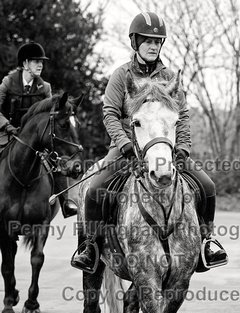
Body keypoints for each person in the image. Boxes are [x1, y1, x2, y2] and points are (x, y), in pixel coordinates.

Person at [72, 11, 227, 272]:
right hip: (126, 150)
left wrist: (183, 148)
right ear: (135, 43)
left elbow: (184, 115)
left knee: (207, 186)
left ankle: (207, 242)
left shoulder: (169, 78)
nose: (153, 46)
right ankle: (91, 247)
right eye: (148, 41)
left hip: (167, 150)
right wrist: (124, 145)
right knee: (95, 189)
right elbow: (109, 113)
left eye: (157, 41)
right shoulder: (121, 76)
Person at [0, 41, 77, 218]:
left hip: (34, 139)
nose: (41, 64)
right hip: (7, 133)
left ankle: (65, 203)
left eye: (42, 61)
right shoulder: (7, 83)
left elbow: (52, 115)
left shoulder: (45, 87)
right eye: (36, 61)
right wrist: (7, 126)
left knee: (56, 161)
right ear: (25, 64)